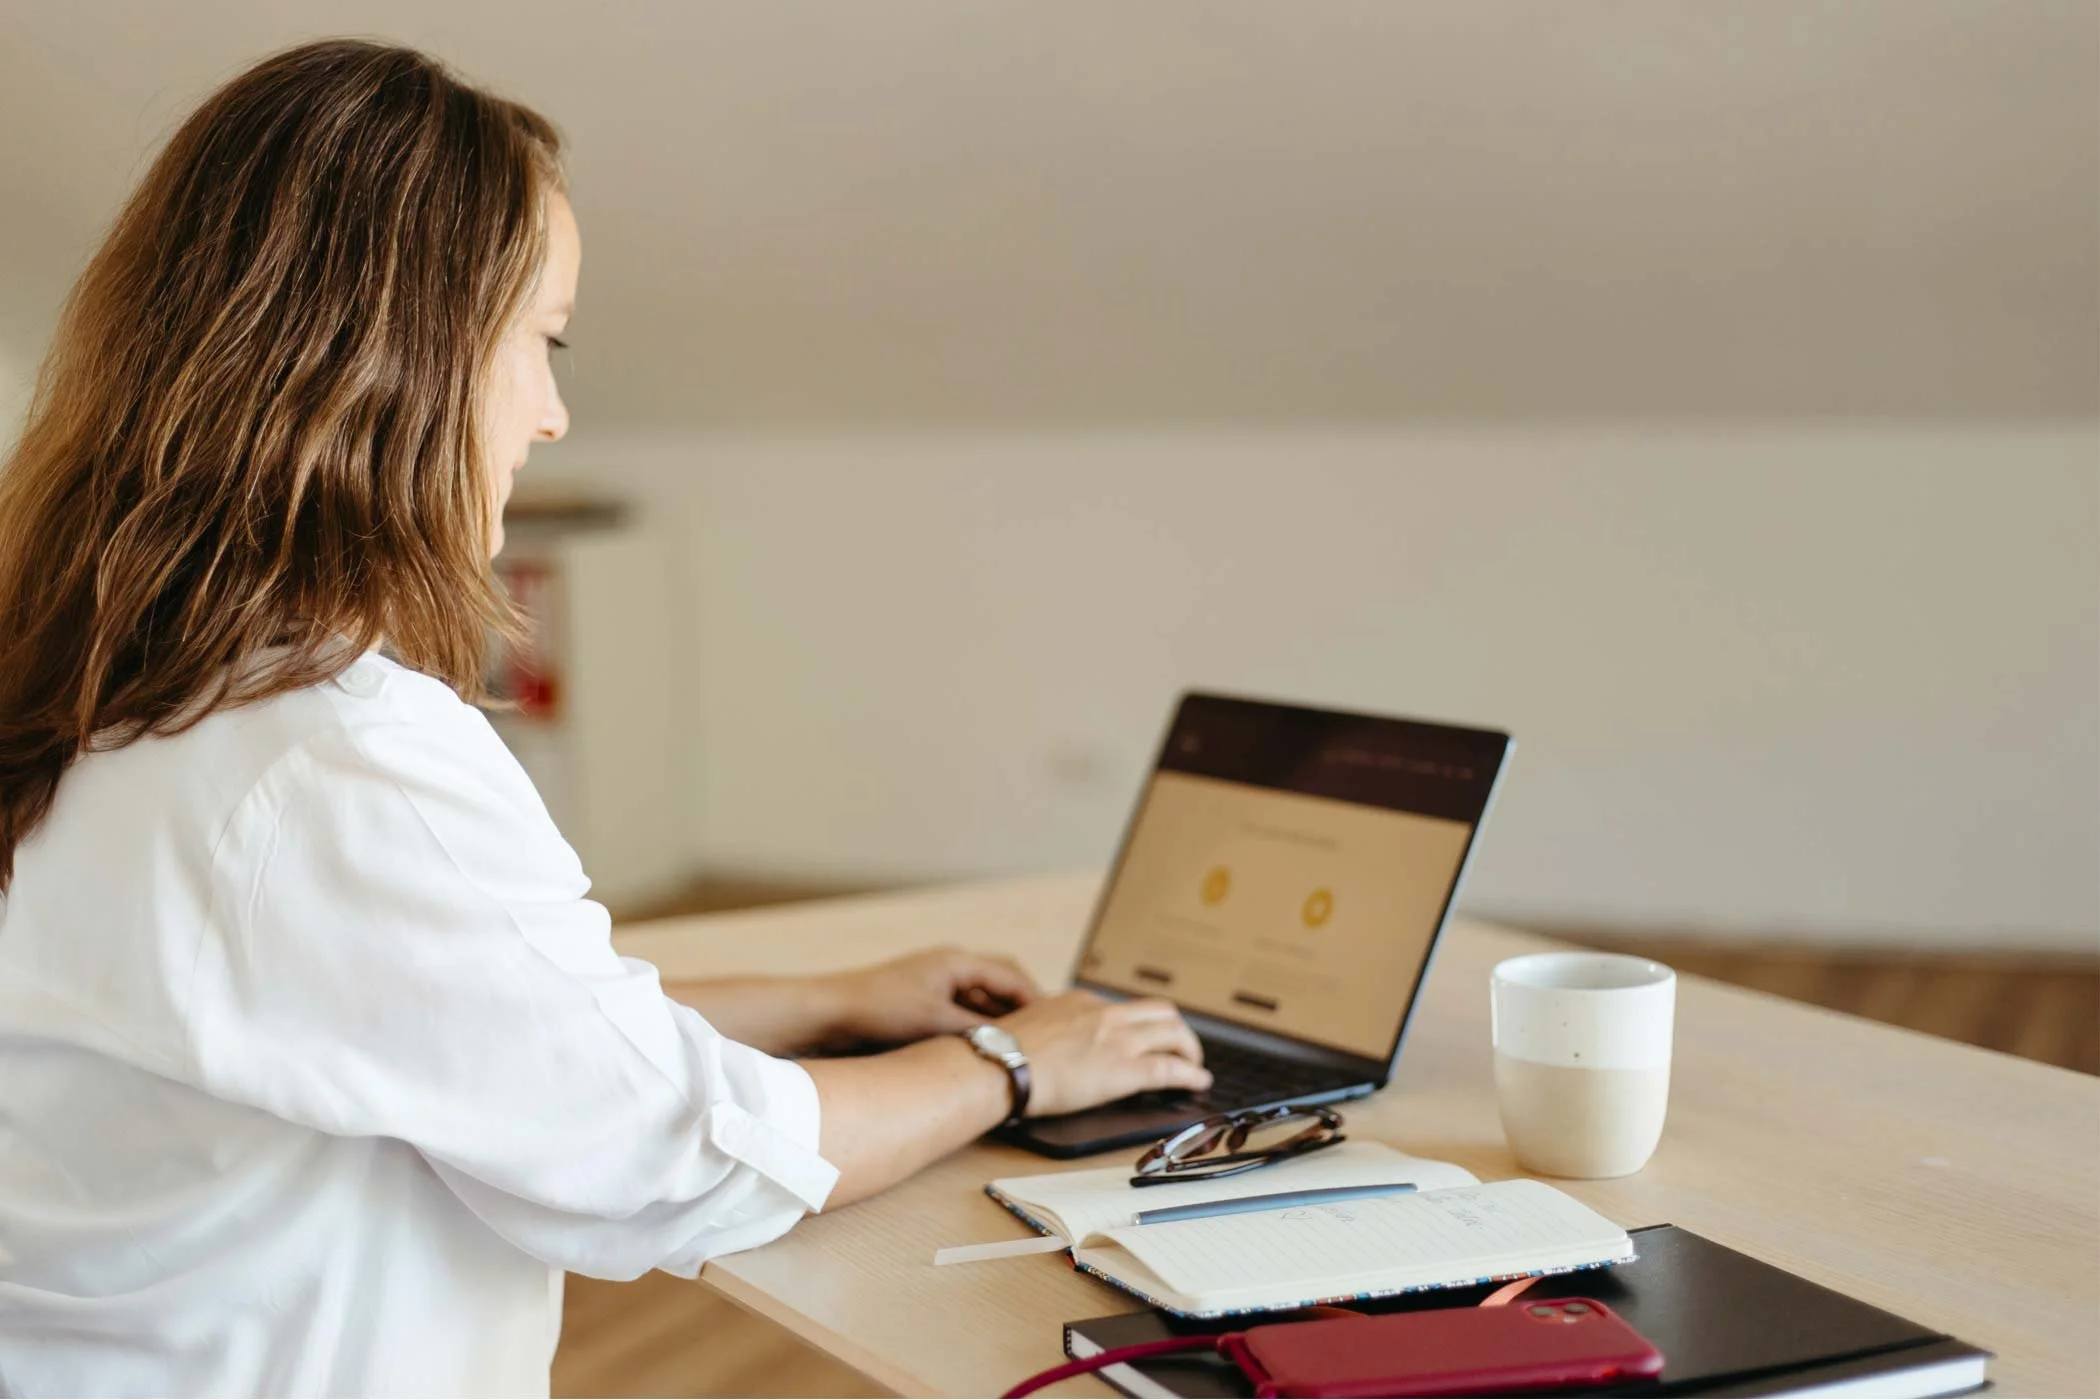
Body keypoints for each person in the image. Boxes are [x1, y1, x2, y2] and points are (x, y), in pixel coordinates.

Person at [0, 39, 1210, 1397]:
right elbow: (679, 1160)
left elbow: (473, 1020)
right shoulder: (340, 755)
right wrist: (1006, 1064)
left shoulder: (107, 679)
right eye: (543, 342)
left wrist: (835, 998)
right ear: (406, 349)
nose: (555, 414)